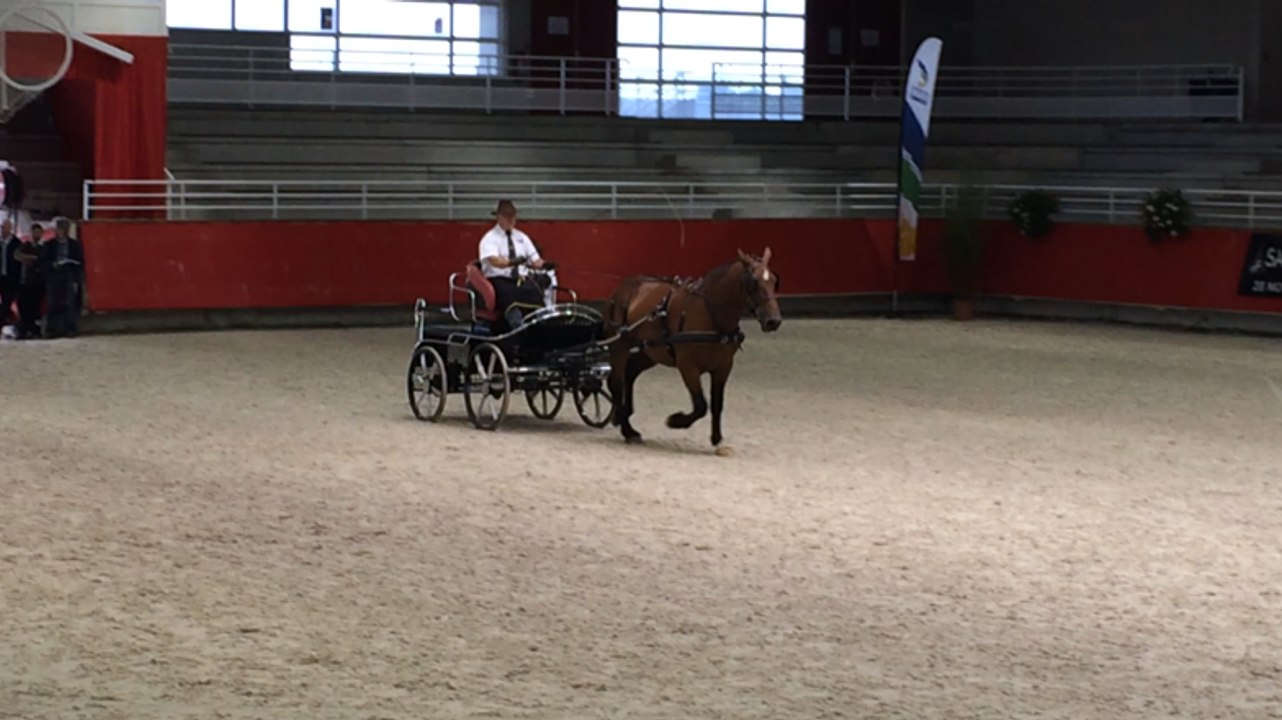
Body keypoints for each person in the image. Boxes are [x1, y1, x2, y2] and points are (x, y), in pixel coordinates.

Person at [478, 199, 550, 330]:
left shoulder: (522, 237)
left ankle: (541, 326)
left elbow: (535, 261)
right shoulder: (489, 238)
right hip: (499, 279)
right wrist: (511, 262)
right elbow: (494, 261)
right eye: (507, 217)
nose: (511, 220)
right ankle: (517, 327)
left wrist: (545, 265)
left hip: (520, 279)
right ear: (499, 217)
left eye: (513, 217)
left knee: (535, 293)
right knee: (508, 297)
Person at [41, 217, 84, 339]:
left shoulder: (74, 245)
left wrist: (75, 271)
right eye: (58, 229)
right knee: (52, 303)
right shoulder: (49, 244)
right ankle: (51, 329)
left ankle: (70, 329)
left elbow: (80, 261)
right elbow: (44, 261)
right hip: (54, 275)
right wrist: (52, 265)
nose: (60, 232)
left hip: (68, 274)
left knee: (70, 303)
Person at [13, 222, 46, 339]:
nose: (36, 235)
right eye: (34, 232)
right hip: (26, 281)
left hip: (38, 282)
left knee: (34, 307)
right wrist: (30, 258)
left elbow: (43, 262)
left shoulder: (43, 248)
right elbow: (17, 255)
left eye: (38, 232)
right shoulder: (25, 246)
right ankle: (24, 329)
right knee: (23, 306)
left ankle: (33, 330)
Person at [1, 219, 20, 331]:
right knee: (4, 300)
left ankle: (3, 319)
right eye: (2, 227)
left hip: (11, 277)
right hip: (1, 276)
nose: (3, 230)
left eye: (5, 227)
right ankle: (4, 319)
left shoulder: (16, 244)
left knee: (8, 300)